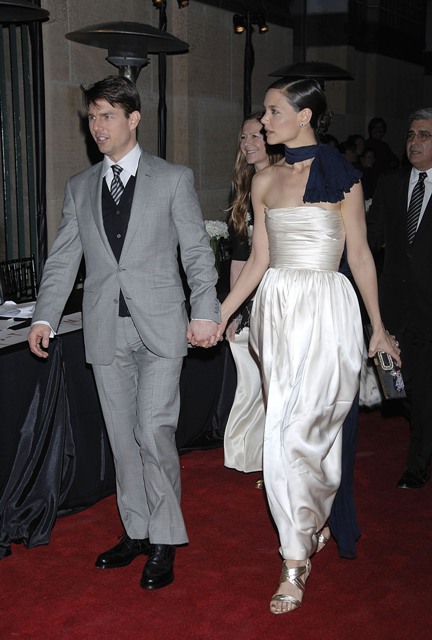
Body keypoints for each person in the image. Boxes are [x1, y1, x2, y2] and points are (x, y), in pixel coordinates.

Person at [27, 75, 220, 590]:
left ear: (133, 119)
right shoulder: (80, 186)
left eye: (107, 115)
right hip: (104, 330)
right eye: (92, 117)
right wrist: (44, 316)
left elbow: (196, 252)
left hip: (162, 326)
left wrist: (206, 310)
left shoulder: (173, 178)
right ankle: (136, 529)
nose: (98, 126)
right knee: (121, 436)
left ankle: (165, 537)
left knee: (153, 430)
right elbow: (63, 258)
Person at [216, 78, 400, 614]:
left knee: (311, 430)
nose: (264, 121)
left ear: (305, 116)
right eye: (265, 112)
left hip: (328, 310)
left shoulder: (343, 178)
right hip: (277, 310)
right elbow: (259, 260)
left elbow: (360, 255)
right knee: (280, 432)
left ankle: (311, 520)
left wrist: (378, 326)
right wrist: (221, 313)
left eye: (274, 111)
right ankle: (295, 557)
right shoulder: (264, 180)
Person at [367, 108, 432, 490]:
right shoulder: (390, 183)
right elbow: (371, 236)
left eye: (424, 135)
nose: (414, 142)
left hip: (428, 310)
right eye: (410, 135)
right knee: (399, 387)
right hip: (392, 307)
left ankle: (418, 463)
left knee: (422, 390)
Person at [224, 113, 282, 474]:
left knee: (276, 377)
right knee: (252, 376)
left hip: (280, 292)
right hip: (249, 293)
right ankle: (255, 451)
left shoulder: (285, 180)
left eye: (256, 136)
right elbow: (239, 255)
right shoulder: (242, 187)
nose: (248, 143)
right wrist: (234, 310)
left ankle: (277, 454)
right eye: (243, 137)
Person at [364, 116, 399, 196]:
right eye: (376, 128)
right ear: (371, 130)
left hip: (384, 183)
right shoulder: (366, 145)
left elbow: (395, 161)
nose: (379, 130)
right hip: (371, 184)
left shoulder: (384, 146)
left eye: (381, 128)